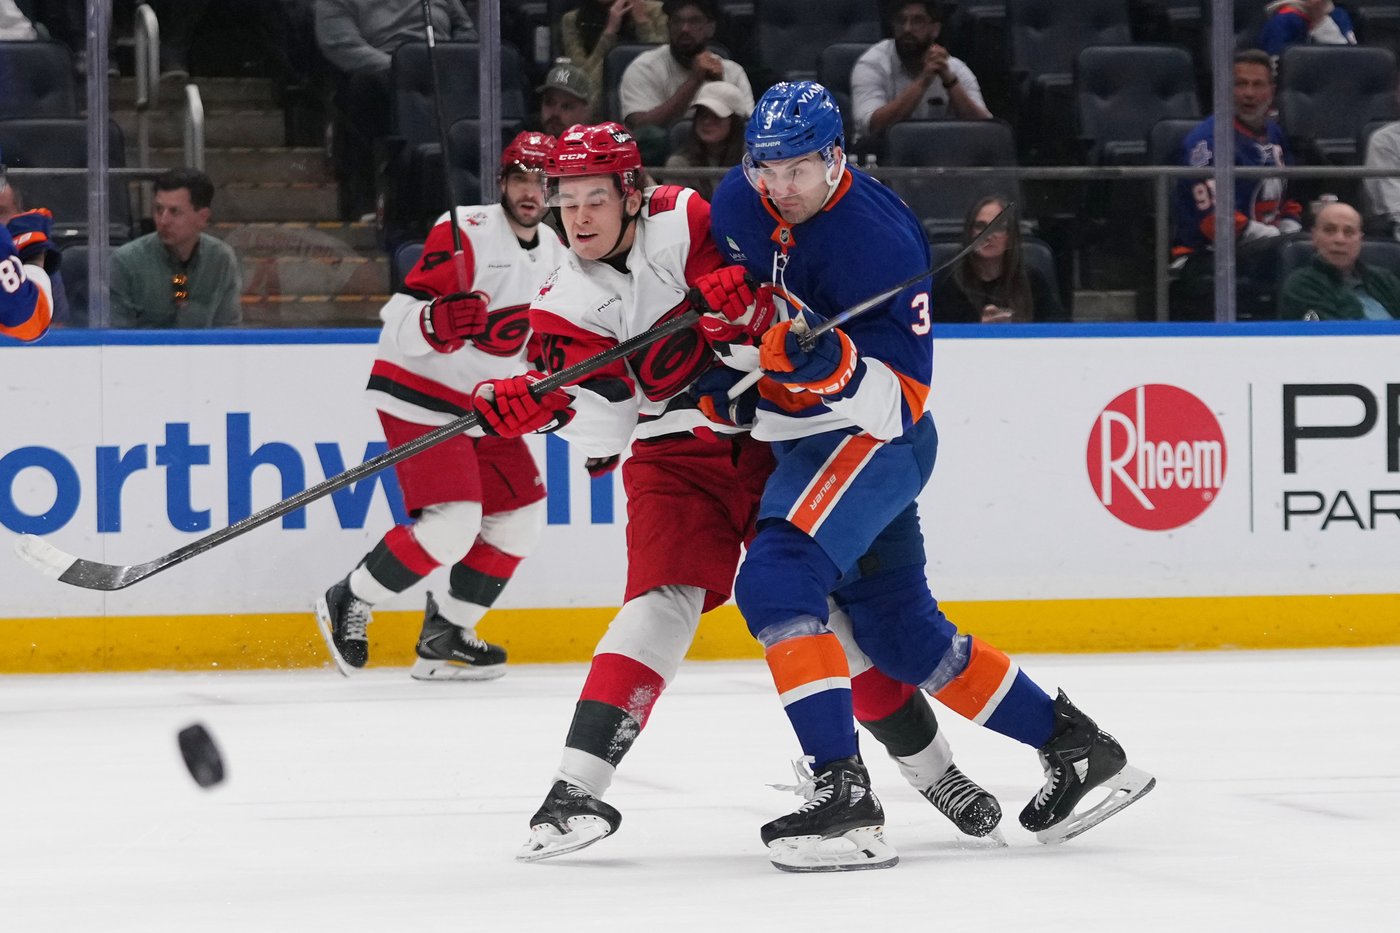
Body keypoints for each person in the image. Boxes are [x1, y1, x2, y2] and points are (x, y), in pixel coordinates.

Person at [468, 122, 1002, 865]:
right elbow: (606, 430)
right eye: (566, 202)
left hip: (767, 438)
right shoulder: (558, 303)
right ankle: (574, 787)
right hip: (670, 458)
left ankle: (938, 774)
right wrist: (548, 415)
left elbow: (777, 306)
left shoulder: (689, 219)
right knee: (659, 602)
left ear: (632, 193)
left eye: (595, 198)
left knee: (825, 617)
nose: (579, 216)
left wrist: (745, 315)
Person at [704, 81, 1154, 870]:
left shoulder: (881, 240)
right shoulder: (740, 201)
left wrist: (832, 363)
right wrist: (729, 329)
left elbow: (901, 404)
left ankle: (842, 796)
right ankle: (1078, 747)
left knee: (776, 582)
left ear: (836, 156)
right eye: (766, 168)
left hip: (871, 439)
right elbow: (732, 290)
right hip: (804, 441)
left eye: (799, 170)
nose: (780, 187)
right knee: (904, 640)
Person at [314, 132, 566, 680]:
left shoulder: (557, 253)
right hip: (420, 390)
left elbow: (540, 347)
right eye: (521, 178)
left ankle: (445, 633)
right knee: (453, 523)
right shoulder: (464, 232)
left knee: (520, 522)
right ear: (502, 181)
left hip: (484, 405)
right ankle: (350, 597)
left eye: (543, 181)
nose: (531, 191)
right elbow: (403, 316)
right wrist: (436, 322)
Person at [1170, 49, 1305, 321]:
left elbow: (1289, 196)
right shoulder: (1206, 142)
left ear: (1272, 91)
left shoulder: (1274, 133)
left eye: (1258, 85)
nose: (1249, 93)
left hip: (1267, 247)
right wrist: (1281, 239)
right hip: (1208, 255)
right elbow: (1215, 224)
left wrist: (1291, 226)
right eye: (1240, 84)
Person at [315, 0, 478, 220]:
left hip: (443, 64)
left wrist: (454, 58)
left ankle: (474, 196)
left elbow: (465, 28)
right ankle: (375, 199)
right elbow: (341, 44)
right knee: (365, 88)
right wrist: (403, 67)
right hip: (383, 68)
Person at [617, 0, 753, 161]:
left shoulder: (733, 71)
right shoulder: (644, 67)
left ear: (710, 28)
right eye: (677, 21)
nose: (685, 29)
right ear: (668, 26)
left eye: (694, 21)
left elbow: (746, 127)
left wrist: (719, 85)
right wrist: (694, 80)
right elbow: (642, 128)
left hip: (722, 163)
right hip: (663, 165)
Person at [110, 168, 242, 329]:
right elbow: (116, 340)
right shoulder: (126, 262)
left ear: (202, 217)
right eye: (158, 210)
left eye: (175, 212)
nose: (163, 221)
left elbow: (228, 330)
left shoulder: (221, 259)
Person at [851, 0, 991, 147]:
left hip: (937, 158)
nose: (907, 28)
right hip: (881, 158)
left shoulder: (955, 68)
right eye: (901, 20)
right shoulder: (872, 64)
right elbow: (873, 128)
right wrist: (923, 81)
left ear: (935, 29)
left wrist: (950, 82)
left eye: (918, 21)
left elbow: (987, 130)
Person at [931, 196, 1065, 323]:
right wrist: (978, 329)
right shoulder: (947, 278)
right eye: (980, 226)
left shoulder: (1031, 278)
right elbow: (932, 331)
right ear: (970, 232)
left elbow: (1057, 327)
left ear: (1011, 236)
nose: (988, 235)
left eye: (999, 227)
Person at [1279, 200, 1400, 319]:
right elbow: (1338, 336)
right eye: (1329, 230)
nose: (1339, 240)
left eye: (1348, 232)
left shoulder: (1384, 279)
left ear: (1360, 240)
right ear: (1314, 237)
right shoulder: (1301, 286)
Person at [557, 0, 668, 98]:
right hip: (599, 98)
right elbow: (581, 81)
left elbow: (664, 63)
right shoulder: (572, 20)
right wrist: (609, 33)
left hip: (646, 87)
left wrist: (642, 22)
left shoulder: (657, 11)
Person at [662, 79, 749, 198]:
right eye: (702, 114)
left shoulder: (752, 161)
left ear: (735, 122)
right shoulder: (680, 164)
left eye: (716, 115)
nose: (707, 121)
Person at [1258, 1, 1356, 62]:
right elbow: (1275, 67)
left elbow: (1351, 61)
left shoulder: (1339, 15)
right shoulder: (1282, 20)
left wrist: (1320, 19)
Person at [536, 58, 597, 139]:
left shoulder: (603, 148)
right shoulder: (523, 142)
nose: (555, 112)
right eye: (549, 103)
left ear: (587, 112)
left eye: (566, 106)